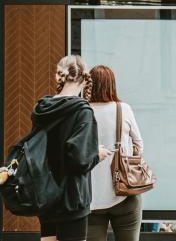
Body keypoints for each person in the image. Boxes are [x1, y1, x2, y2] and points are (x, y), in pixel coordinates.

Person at [37, 55, 113, 241]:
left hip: (46, 194)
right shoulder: (82, 111)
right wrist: (97, 154)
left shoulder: (42, 108)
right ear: (85, 78)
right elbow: (79, 160)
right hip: (72, 197)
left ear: (58, 76)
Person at [86, 66, 145, 241]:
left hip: (91, 197)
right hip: (125, 192)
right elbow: (139, 146)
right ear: (112, 85)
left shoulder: (83, 111)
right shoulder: (123, 109)